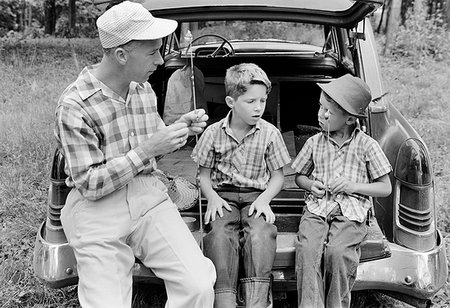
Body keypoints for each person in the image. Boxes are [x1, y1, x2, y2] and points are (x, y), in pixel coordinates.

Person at [55, 2, 216, 307]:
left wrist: (179, 127)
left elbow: (154, 141)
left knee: (199, 285)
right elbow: (89, 184)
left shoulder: (143, 90)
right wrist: (148, 149)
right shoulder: (74, 105)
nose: (160, 59)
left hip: (149, 197)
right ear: (121, 55)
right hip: (96, 209)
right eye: (153, 51)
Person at [192, 63, 291, 308]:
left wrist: (264, 199)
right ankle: (223, 299)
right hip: (222, 195)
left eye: (262, 101)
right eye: (250, 101)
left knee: (261, 234)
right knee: (218, 236)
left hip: (256, 196)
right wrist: (212, 198)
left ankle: (256, 301)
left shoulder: (270, 133)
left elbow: (278, 176)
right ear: (230, 101)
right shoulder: (212, 133)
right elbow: (202, 175)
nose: (258, 108)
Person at [291, 74, 392, 308]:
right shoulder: (314, 142)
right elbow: (299, 176)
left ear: (349, 120)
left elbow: (385, 187)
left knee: (338, 254)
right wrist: (309, 185)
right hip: (317, 209)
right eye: (320, 107)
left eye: (328, 112)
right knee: (307, 251)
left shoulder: (367, 145)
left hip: (352, 213)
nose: (320, 115)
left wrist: (352, 186)